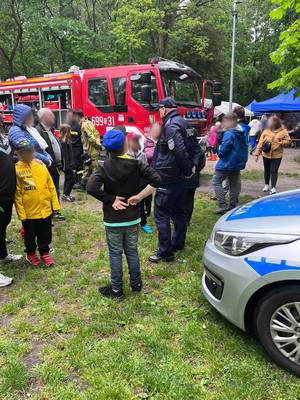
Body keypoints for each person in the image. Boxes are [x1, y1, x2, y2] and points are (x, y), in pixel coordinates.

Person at [87, 130, 161, 300]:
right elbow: (156, 179)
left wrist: (110, 199)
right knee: (132, 252)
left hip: (113, 220)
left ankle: (116, 290)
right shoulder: (136, 164)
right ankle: (136, 284)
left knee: (115, 254)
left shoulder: (104, 167)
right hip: (133, 218)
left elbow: (91, 187)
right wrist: (140, 196)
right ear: (125, 145)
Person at [150, 97, 195, 263]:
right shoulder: (186, 124)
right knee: (178, 212)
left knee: (161, 214)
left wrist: (187, 169)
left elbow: (180, 151)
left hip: (168, 178)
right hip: (179, 179)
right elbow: (196, 149)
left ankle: (165, 252)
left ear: (163, 109)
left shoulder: (170, 126)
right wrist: (192, 167)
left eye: (159, 110)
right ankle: (178, 243)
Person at [14, 138, 60, 266]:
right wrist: (21, 214)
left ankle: (44, 252)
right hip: (29, 212)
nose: (28, 154)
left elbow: (51, 187)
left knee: (45, 233)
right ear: (18, 153)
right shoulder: (17, 170)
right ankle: (31, 253)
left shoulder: (41, 167)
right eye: (25, 152)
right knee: (30, 235)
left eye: (30, 151)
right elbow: (17, 194)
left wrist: (55, 204)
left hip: (45, 210)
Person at [212, 112, 248, 214]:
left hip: (227, 163)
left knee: (216, 181)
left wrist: (220, 153)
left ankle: (222, 204)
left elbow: (225, 147)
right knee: (233, 184)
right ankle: (233, 205)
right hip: (237, 163)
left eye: (225, 122)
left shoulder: (229, 133)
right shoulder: (242, 131)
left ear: (231, 122)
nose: (223, 124)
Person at [0, 129, 23, 286]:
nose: (2, 115)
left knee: (3, 224)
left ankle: (2, 255)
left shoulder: (1, 134)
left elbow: (7, 157)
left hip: (6, 193)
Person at [35, 108, 65, 221]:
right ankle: (50, 212)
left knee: (55, 189)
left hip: (54, 166)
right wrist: (50, 164)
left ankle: (54, 211)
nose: (53, 117)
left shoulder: (48, 130)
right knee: (49, 190)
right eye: (51, 116)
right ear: (43, 118)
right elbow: (42, 150)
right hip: (48, 167)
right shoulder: (39, 131)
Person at [255, 116, 291, 194]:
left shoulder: (283, 131)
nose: (268, 123)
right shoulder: (265, 131)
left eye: (270, 122)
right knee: (267, 170)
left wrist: (282, 143)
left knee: (274, 170)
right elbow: (260, 143)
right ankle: (266, 184)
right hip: (266, 154)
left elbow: (288, 140)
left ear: (275, 123)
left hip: (277, 155)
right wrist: (257, 154)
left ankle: (273, 187)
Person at [126, 131, 152, 233]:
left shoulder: (142, 155)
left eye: (137, 140)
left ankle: (143, 223)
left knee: (140, 204)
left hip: (140, 183)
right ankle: (130, 224)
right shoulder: (125, 155)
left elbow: (145, 169)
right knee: (129, 205)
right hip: (128, 184)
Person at [73, 110, 102, 191]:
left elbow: (90, 137)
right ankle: (83, 186)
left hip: (90, 150)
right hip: (93, 149)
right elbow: (96, 134)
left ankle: (93, 187)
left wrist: (98, 145)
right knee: (88, 168)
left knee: (93, 169)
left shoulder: (84, 126)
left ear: (78, 117)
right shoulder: (89, 123)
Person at [143, 122, 162, 216]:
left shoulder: (163, 142)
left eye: (158, 129)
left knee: (161, 193)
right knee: (148, 192)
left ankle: (160, 212)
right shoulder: (145, 142)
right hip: (148, 172)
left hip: (161, 172)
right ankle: (147, 210)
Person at [67, 109, 84, 189]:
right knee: (74, 166)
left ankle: (79, 181)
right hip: (72, 149)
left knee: (79, 166)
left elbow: (79, 138)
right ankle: (75, 180)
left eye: (70, 116)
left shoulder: (78, 125)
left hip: (78, 148)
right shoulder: (69, 124)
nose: (68, 117)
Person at [59, 124, 76, 202]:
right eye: (68, 130)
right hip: (67, 165)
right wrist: (67, 165)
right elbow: (65, 155)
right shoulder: (64, 142)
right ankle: (66, 194)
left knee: (67, 178)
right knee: (72, 178)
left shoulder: (65, 141)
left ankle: (65, 195)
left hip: (68, 164)